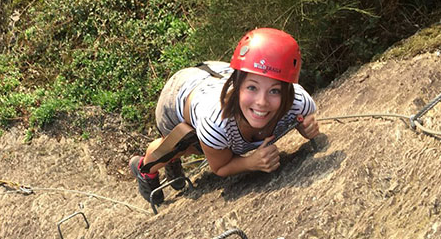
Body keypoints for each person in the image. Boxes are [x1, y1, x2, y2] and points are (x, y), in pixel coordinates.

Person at [130, 27, 320, 204]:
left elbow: (306, 117)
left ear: (287, 91)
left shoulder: (298, 102)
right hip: (180, 92)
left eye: (275, 91)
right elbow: (219, 167)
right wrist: (250, 163)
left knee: (212, 142)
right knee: (181, 143)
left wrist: (305, 126)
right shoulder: (215, 121)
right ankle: (144, 168)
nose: (262, 102)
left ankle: (173, 160)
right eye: (252, 88)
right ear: (237, 85)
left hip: (221, 74)